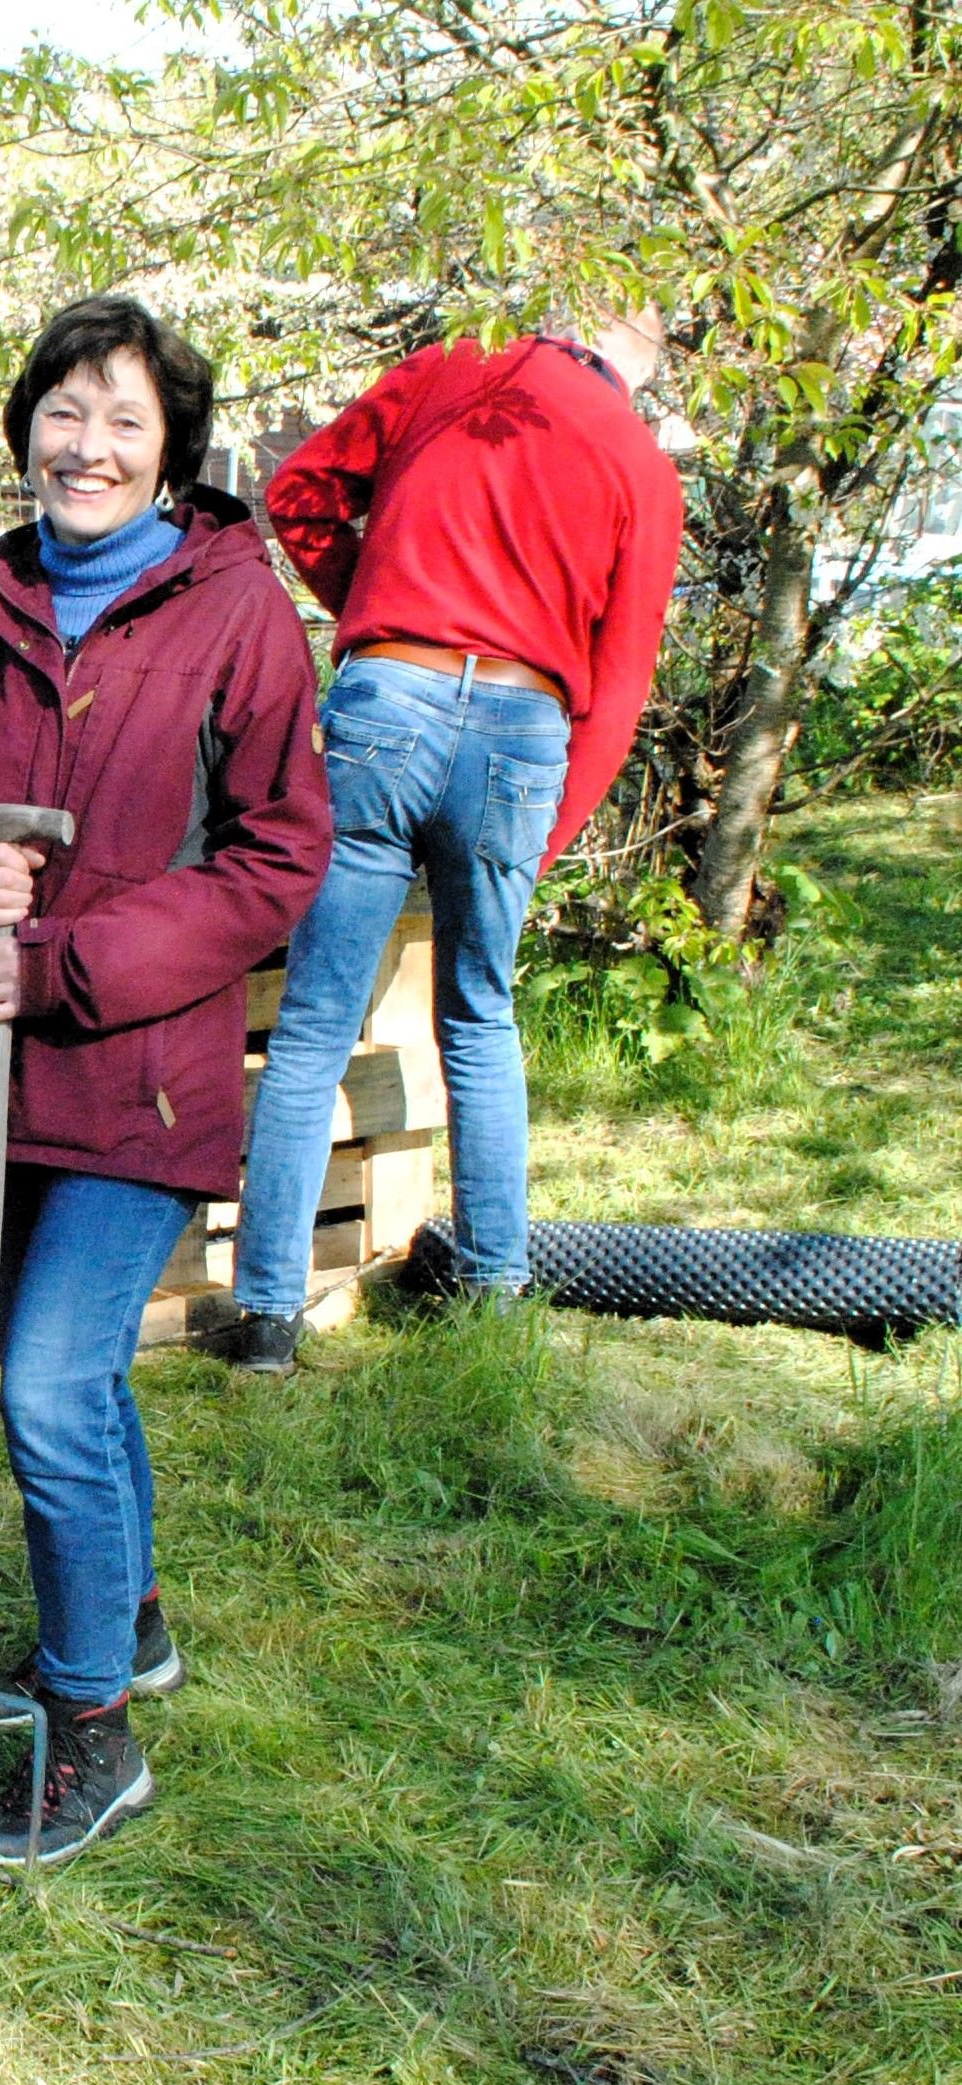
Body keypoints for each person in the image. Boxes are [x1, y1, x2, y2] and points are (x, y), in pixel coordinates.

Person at [0, 295, 331, 1864]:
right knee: (73, 1379)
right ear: (26, 431)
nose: (89, 447)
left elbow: (277, 859)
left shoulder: (233, 611)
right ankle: (125, 1615)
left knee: (47, 1382)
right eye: (65, 414)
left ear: (172, 447)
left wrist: (59, 961)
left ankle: (88, 1732)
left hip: (142, 1081)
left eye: (124, 421)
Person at [230, 310, 683, 1369]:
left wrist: (375, 603)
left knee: (312, 1024)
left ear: (565, 314)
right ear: (638, 369)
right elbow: (618, 688)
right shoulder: (641, 466)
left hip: (388, 695)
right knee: (478, 1017)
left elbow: (298, 493)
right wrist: (551, 828)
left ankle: (263, 1317)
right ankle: (491, 1297)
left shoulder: (457, 369)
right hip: (521, 732)